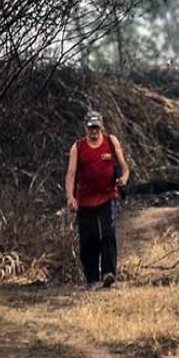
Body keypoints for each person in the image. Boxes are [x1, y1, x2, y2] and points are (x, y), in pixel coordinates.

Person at [65, 111, 130, 290]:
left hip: (107, 196)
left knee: (108, 234)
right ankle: (92, 278)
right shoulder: (78, 147)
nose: (94, 131)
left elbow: (124, 166)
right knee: (89, 240)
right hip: (85, 200)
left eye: (96, 128)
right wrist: (70, 197)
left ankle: (109, 273)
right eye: (91, 128)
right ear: (86, 128)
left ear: (101, 127)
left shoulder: (111, 142)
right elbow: (71, 174)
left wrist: (124, 178)